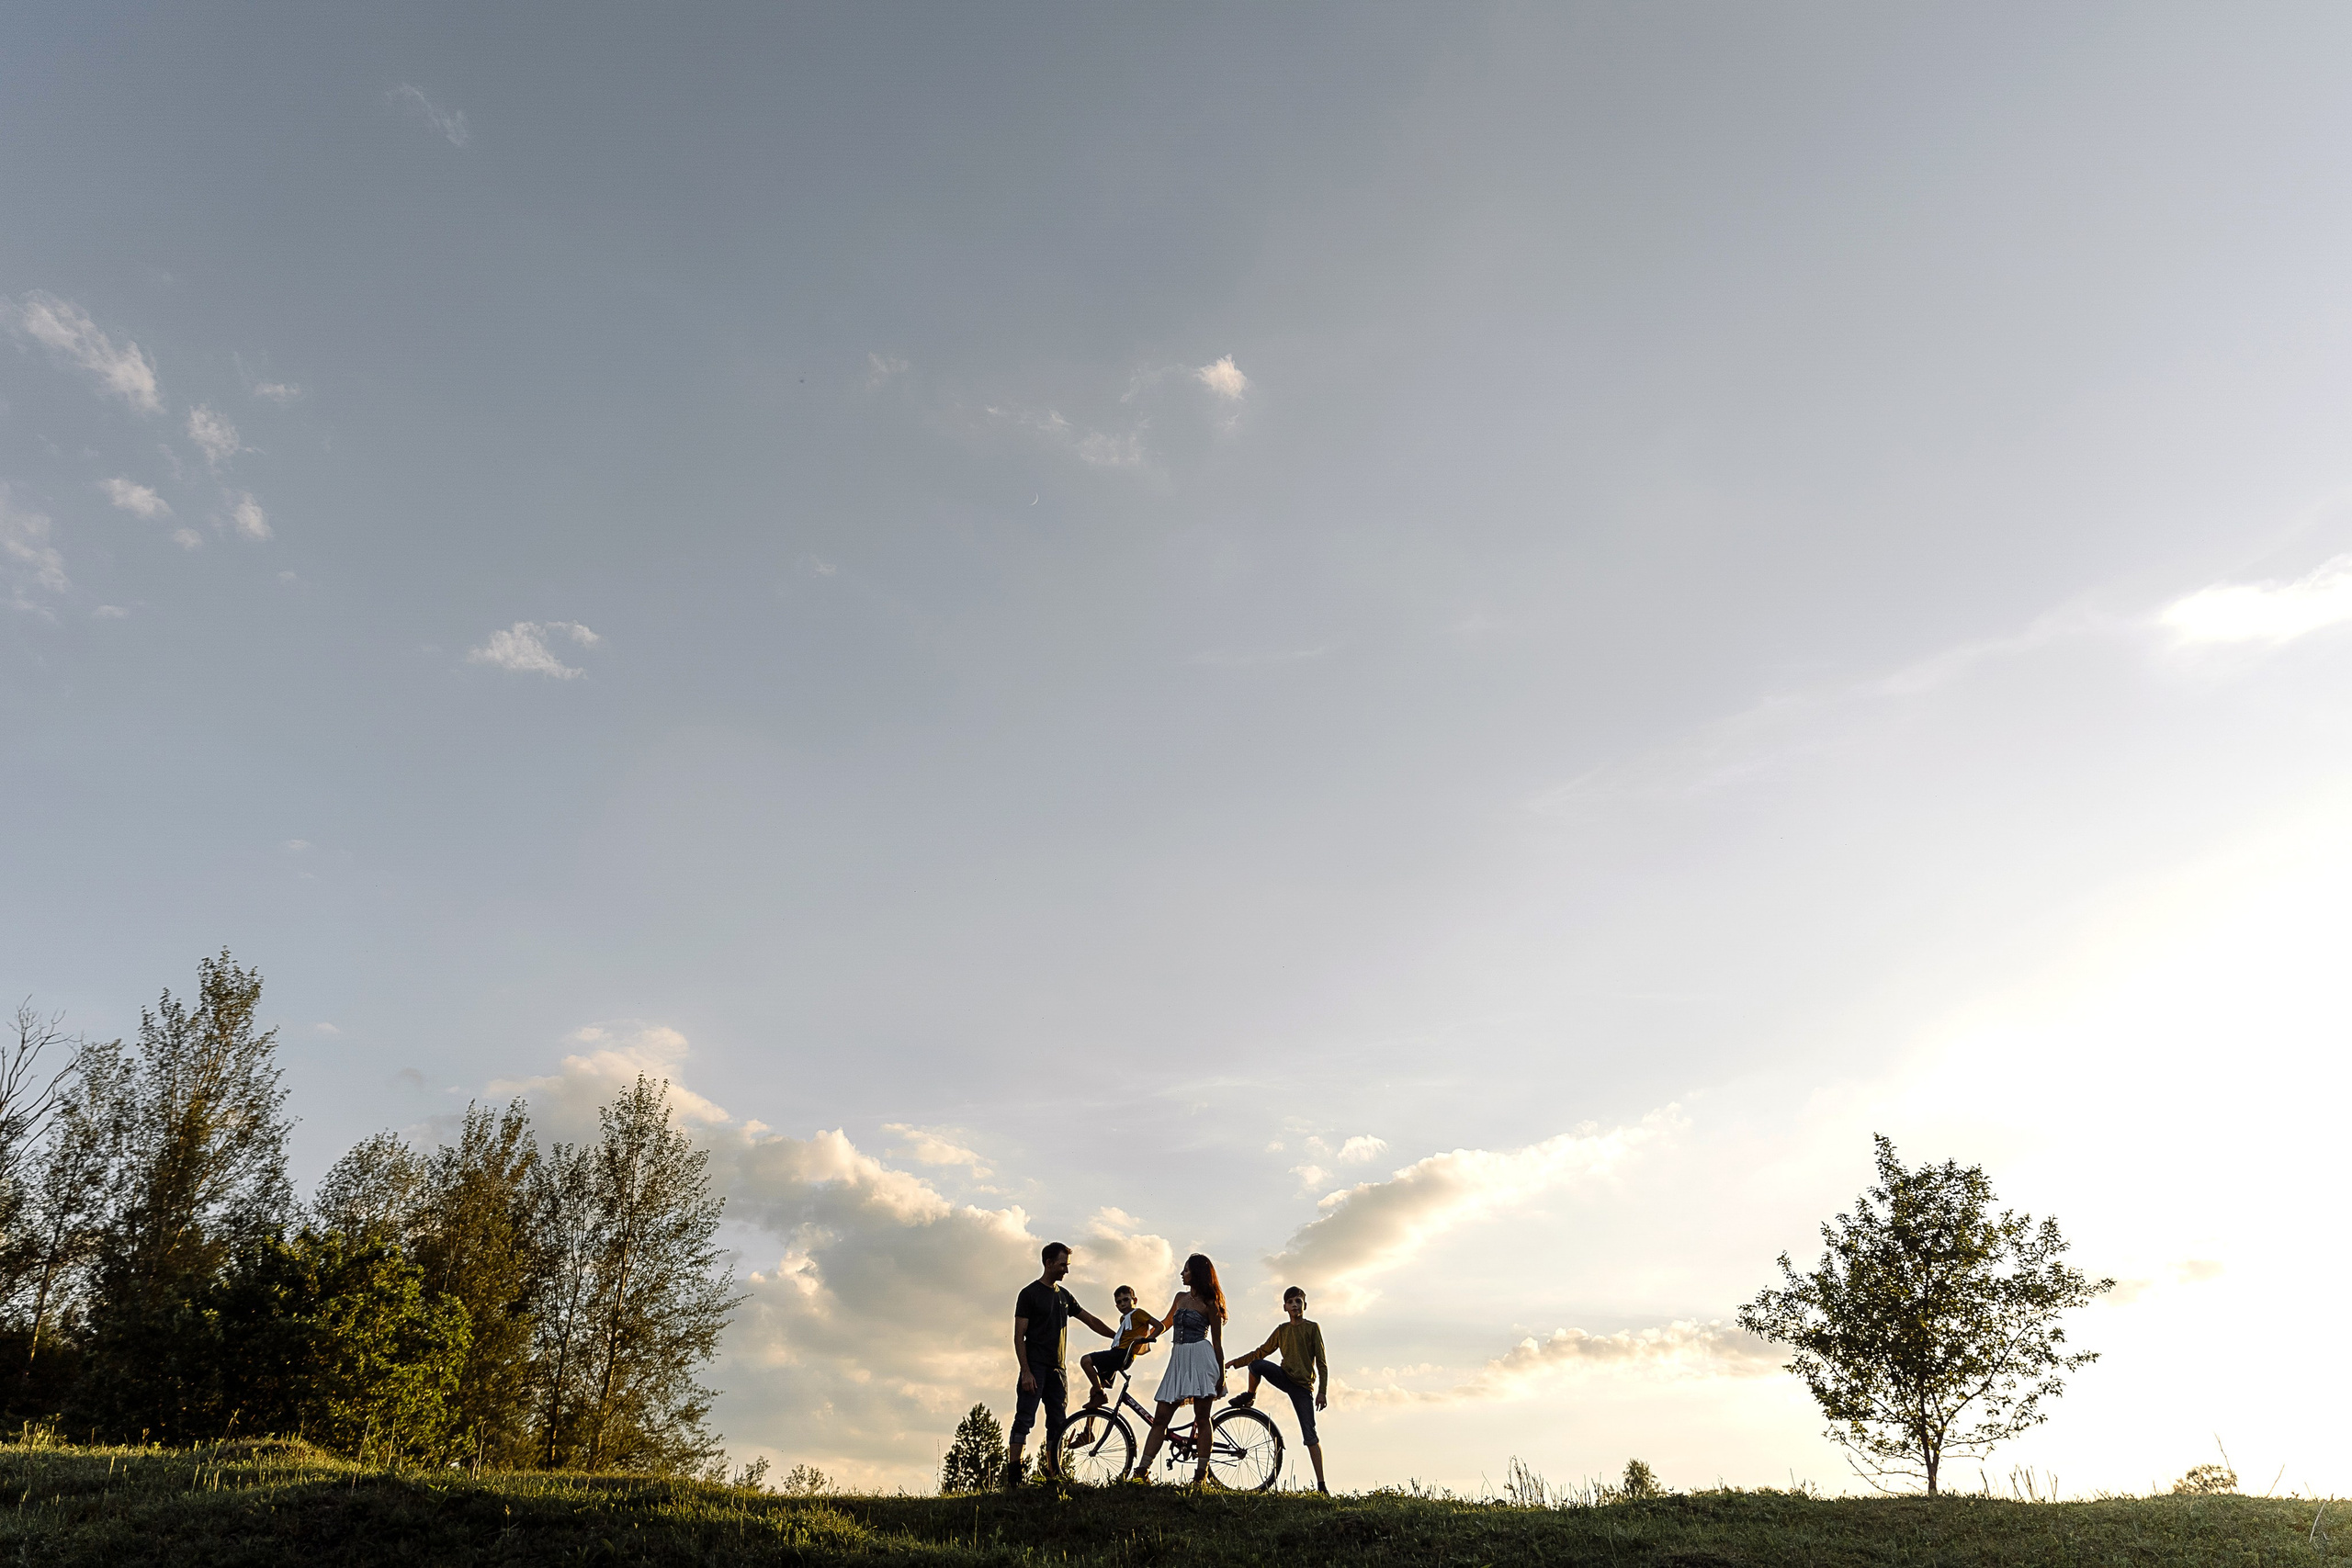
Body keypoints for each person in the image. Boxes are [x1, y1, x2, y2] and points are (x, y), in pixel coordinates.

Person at [1008, 1241, 1116, 1486]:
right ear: (1048, 1263)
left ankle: (1053, 1475)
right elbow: (1018, 1336)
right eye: (1062, 1265)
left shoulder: (1065, 1296)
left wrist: (1118, 1337)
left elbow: (1089, 1319)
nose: (1066, 1270)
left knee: (1057, 1423)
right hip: (1034, 1368)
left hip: (1058, 1369)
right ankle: (1014, 1479)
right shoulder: (1029, 1294)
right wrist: (1025, 1371)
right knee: (1024, 1419)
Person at [1133, 1253, 1227, 1486]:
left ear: (1197, 1273)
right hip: (1179, 1359)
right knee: (1161, 1417)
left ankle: (1200, 1474)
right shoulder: (1179, 1298)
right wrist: (1147, 1338)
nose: (1181, 1274)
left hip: (1201, 1358)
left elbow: (1217, 1343)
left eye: (1185, 1270)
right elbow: (1166, 1323)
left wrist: (1221, 1375)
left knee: (1202, 1418)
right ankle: (1142, 1470)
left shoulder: (1210, 1304)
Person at [1226, 1284, 1331, 1493]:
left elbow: (1322, 1362)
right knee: (1256, 1364)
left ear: (1304, 1305)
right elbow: (1261, 1351)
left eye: (1298, 1301)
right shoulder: (1282, 1330)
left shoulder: (1312, 1328)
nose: (1294, 1305)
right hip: (1285, 1377)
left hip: (1303, 1387)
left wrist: (1322, 1391)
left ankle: (1322, 1486)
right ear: (1284, 1307)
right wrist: (1234, 1363)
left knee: (1310, 1435)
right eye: (1290, 1302)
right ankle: (1249, 1396)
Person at [1079, 1284, 1153, 1407]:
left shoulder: (1138, 1313)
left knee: (1085, 1360)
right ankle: (1089, 1425)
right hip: (1116, 1353)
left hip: (1122, 1355)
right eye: (1119, 1302)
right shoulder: (1123, 1319)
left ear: (1134, 1300)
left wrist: (1147, 1338)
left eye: (1126, 1300)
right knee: (1094, 1391)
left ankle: (1101, 1395)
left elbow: (1159, 1325)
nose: (1122, 1304)